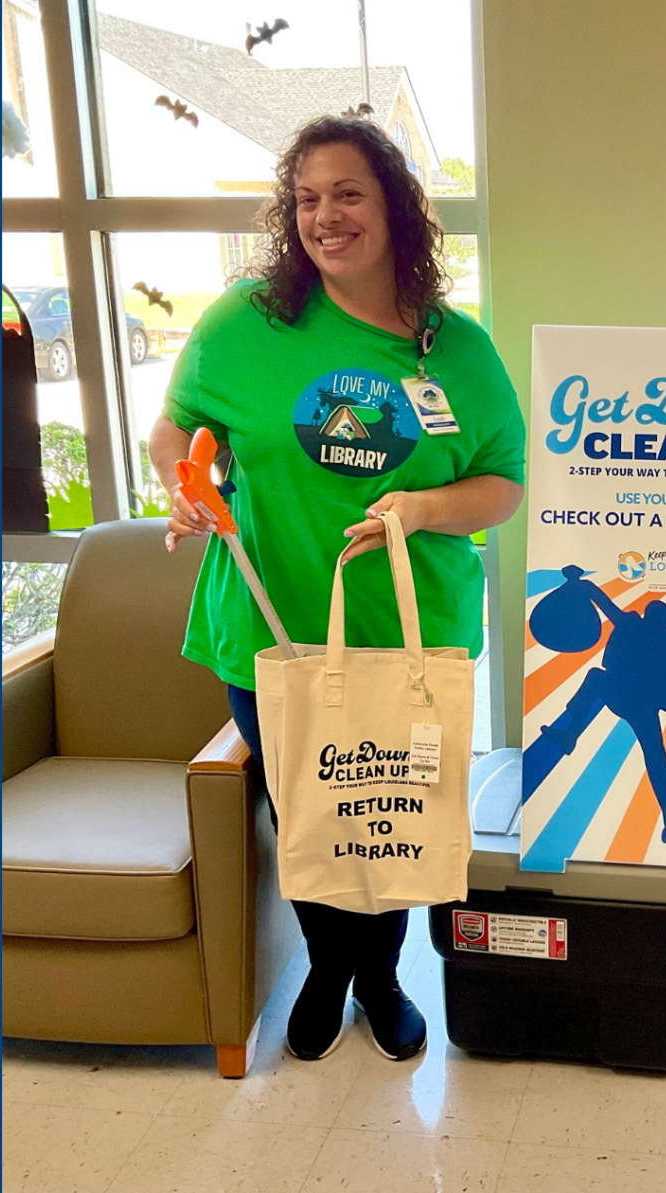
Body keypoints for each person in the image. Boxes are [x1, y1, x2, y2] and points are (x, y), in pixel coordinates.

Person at [149, 116, 526, 1063]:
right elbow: (177, 429)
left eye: (349, 193)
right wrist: (184, 489)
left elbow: (504, 482)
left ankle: (385, 975)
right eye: (308, 198)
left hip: (406, 631)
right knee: (307, 813)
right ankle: (327, 968)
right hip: (272, 630)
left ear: (395, 207)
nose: (327, 216)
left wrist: (427, 505)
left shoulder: (456, 349)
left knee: (390, 819)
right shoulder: (246, 326)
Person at [520, 587, 666, 855]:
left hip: (636, 702)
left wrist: (578, 581)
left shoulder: (655, 632)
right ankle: (570, 736)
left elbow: (601, 599)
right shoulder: (657, 632)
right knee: (596, 680)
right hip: (628, 697)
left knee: (655, 758)